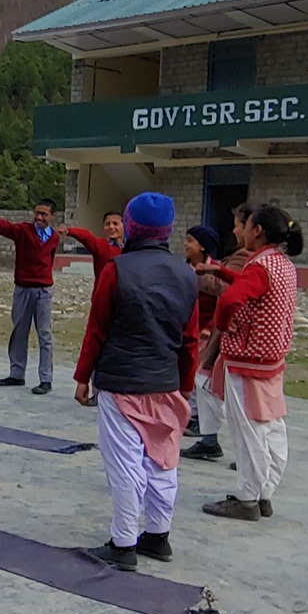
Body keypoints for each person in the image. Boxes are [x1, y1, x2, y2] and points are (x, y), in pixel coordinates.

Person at [72, 193, 199, 572]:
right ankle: (158, 536)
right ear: (168, 229)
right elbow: (190, 339)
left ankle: (123, 542)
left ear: (130, 225)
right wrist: (186, 385)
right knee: (163, 458)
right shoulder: (186, 274)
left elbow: (97, 329)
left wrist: (83, 376)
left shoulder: (117, 269)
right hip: (166, 380)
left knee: (125, 463)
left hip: (122, 380)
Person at [200, 203, 303, 521]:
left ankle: (247, 497)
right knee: (270, 425)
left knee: (247, 430)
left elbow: (232, 298)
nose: (238, 230)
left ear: (257, 230)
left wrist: (223, 320)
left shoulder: (260, 267)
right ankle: (264, 493)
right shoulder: (280, 263)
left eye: (243, 226)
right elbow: (252, 287)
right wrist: (222, 271)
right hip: (270, 358)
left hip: (247, 358)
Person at [184, 206, 252, 461]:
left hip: (236, 336)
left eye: (238, 225)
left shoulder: (249, 259)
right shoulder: (245, 257)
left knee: (236, 394)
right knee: (208, 383)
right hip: (227, 333)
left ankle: (250, 460)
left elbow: (228, 291)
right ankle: (210, 440)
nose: (234, 230)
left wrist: (196, 274)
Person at [0, 199, 63, 394]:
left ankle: (46, 379)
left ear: (52, 216)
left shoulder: (54, 238)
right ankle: (17, 374)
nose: (39, 217)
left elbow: (49, 260)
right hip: (23, 288)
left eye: (44, 214)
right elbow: (3, 227)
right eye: (37, 213)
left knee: (45, 334)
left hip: (43, 290)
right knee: (19, 332)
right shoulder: (23, 231)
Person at [180, 224, 223, 438]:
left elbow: (220, 304)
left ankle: (197, 419)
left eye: (190, 240)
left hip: (204, 332)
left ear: (203, 247)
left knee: (199, 378)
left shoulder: (216, 271)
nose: (185, 244)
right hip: (181, 329)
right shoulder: (180, 268)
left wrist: (209, 329)